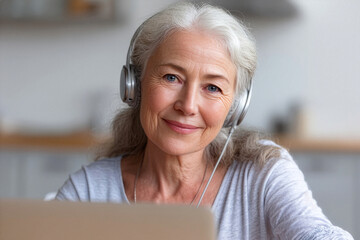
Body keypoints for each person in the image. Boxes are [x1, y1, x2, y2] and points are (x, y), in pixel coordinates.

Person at [56, 2, 353, 239]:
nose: (188, 105)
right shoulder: (89, 191)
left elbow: (316, 231)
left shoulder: (263, 174)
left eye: (212, 87)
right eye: (172, 77)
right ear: (135, 84)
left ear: (236, 106)